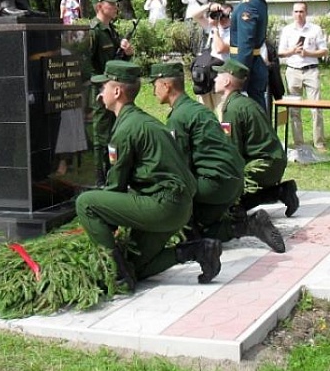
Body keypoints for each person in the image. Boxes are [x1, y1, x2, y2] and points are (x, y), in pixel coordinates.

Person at [75, 61, 221, 289]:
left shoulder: (125, 130)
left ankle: (117, 277)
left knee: (86, 203)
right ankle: (198, 250)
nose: (99, 94)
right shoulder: (144, 120)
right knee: (136, 266)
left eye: (103, 88)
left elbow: (115, 187)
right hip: (180, 206)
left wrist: (104, 226)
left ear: (117, 91)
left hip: (163, 206)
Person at [151, 62, 286, 252]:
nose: (152, 91)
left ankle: (242, 225)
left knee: (188, 229)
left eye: (154, 85)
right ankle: (247, 222)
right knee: (202, 222)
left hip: (214, 184)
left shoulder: (178, 117)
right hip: (233, 180)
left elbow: (180, 167)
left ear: (166, 85)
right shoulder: (199, 110)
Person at [214, 58, 299, 217]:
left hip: (263, 165)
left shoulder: (232, 109)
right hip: (272, 161)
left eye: (218, 75)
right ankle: (281, 191)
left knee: (229, 201)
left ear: (227, 81)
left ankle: (273, 194)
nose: (215, 78)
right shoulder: (243, 102)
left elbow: (232, 152)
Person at [88, 0, 134, 185]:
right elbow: (85, 64)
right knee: (101, 136)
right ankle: (100, 177)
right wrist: (101, 86)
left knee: (115, 132)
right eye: (111, 3)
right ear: (100, 6)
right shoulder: (94, 31)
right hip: (101, 93)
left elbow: (118, 61)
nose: (116, 7)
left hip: (116, 91)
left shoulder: (111, 31)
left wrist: (127, 52)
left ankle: (114, 172)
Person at [277, 1, 328, 150]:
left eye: (301, 11)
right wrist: (292, 51)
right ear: (292, 13)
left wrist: (308, 53)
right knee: (294, 110)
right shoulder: (287, 30)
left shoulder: (315, 29)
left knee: (316, 108)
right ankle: (299, 143)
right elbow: (280, 52)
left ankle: (319, 143)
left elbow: (324, 51)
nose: (298, 14)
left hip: (311, 70)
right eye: (296, 12)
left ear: (306, 13)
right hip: (293, 70)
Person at [228, 0, 269, 110]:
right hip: (254, 64)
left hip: (246, 67)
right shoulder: (257, 0)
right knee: (256, 111)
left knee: (246, 113)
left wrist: (239, 75)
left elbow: (246, 44)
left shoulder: (248, 5)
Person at [197, 2, 232, 110]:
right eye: (220, 15)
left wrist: (215, 29)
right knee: (204, 112)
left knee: (222, 112)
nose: (223, 18)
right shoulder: (213, 26)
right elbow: (195, 15)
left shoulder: (234, 32)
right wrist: (210, 6)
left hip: (222, 76)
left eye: (226, 15)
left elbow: (220, 49)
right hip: (207, 75)